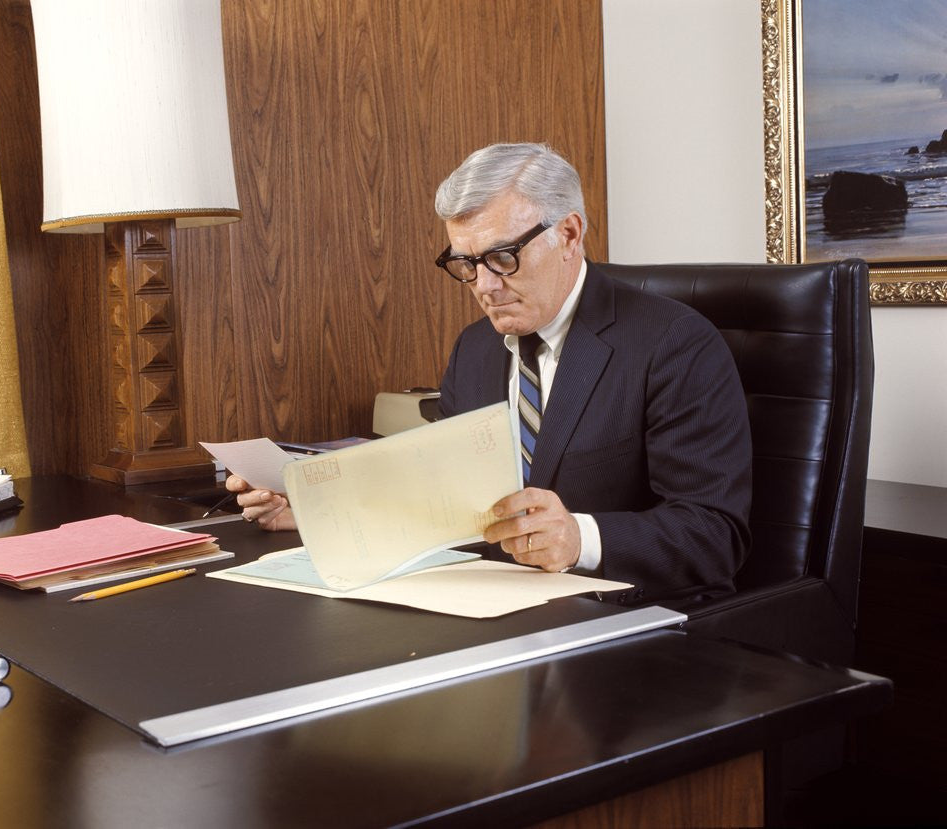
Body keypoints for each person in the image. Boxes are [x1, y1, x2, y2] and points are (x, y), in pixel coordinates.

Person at [228, 142, 752, 604]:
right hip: (496, 607)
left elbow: (714, 535)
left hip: (624, 621)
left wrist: (580, 538)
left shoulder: (673, 344)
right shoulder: (477, 348)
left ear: (569, 233)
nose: (484, 285)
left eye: (502, 257)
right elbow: (444, 504)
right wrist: (317, 516)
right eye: (466, 263)